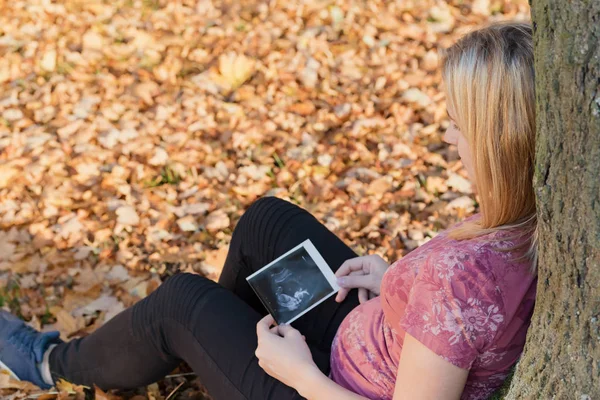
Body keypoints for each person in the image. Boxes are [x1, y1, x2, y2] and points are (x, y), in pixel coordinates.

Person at [0, 21, 537, 400]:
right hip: (376, 341)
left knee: (183, 303)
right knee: (267, 221)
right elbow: (457, 321)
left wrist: (299, 374)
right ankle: (222, 353)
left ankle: (52, 364)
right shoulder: (525, 216)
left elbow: (456, 307)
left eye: (458, 125)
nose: (447, 136)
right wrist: (394, 280)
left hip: (328, 387)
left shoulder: (461, 282)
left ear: (498, 142)